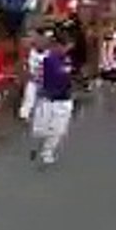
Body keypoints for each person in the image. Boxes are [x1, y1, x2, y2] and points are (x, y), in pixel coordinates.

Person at [30, 34, 73, 168]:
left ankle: (47, 152)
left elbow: (68, 77)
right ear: (57, 46)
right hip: (48, 99)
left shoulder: (67, 59)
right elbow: (42, 78)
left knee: (58, 130)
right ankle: (37, 147)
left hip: (64, 100)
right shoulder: (47, 60)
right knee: (41, 129)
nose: (66, 49)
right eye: (64, 46)